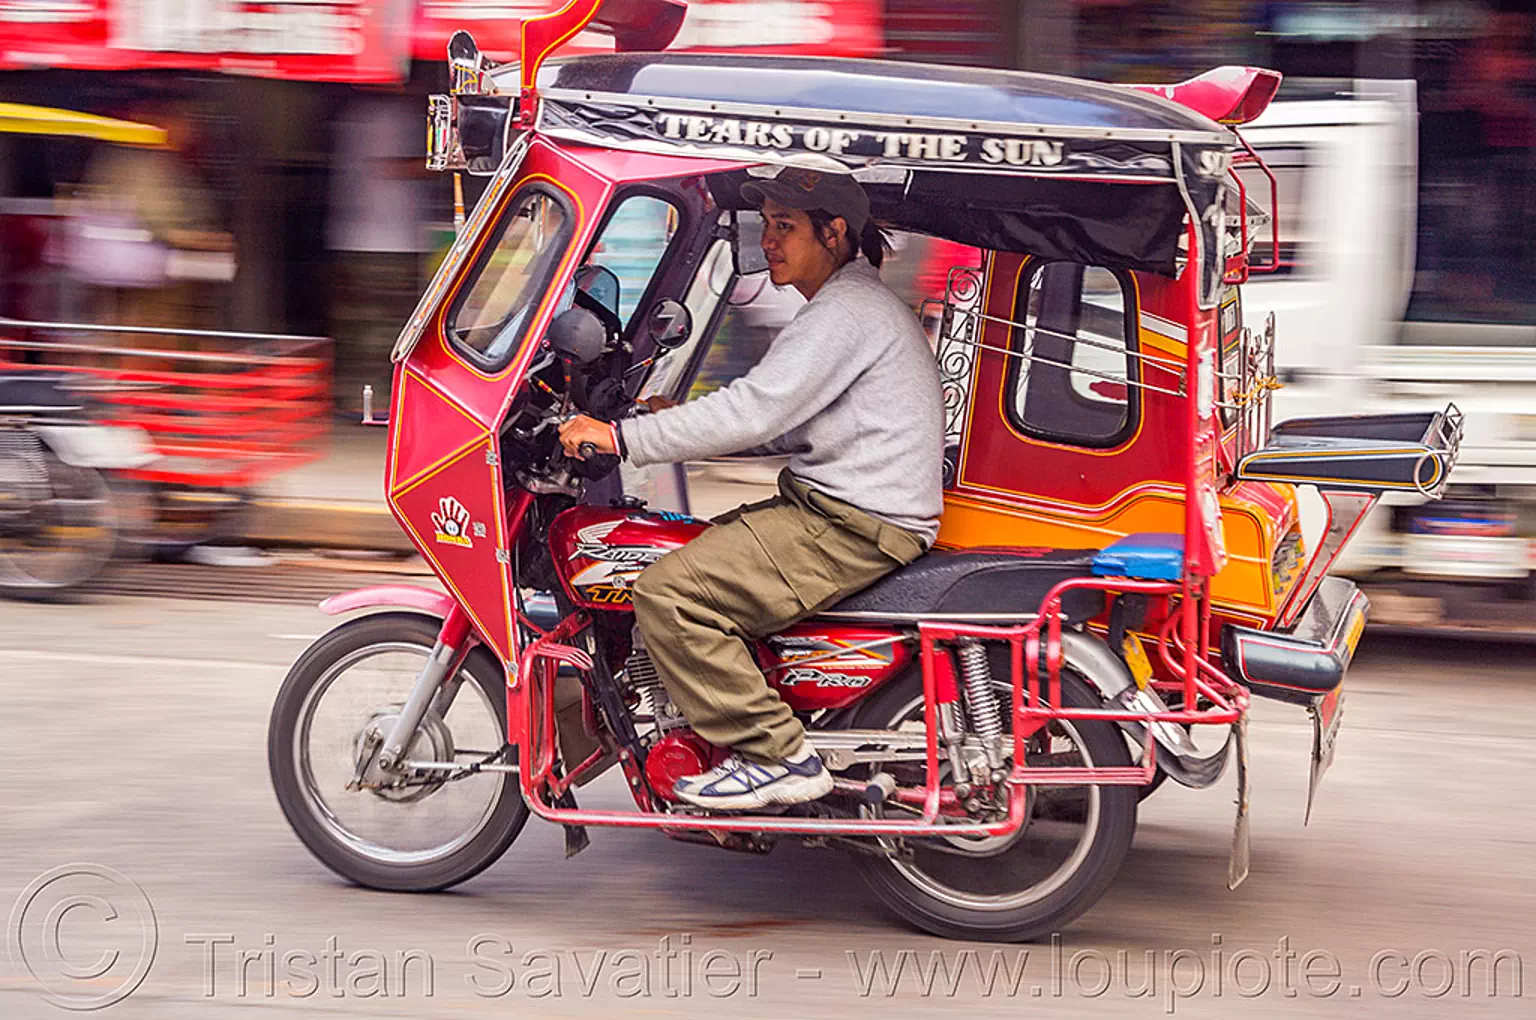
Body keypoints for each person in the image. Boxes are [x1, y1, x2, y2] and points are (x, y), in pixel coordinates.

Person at [558, 169, 944, 811]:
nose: (768, 240)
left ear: (835, 232)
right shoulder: (848, 304)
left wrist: (621, 438)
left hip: (852, 521)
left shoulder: (847, 310)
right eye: (764, 225)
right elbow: (784, 424)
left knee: (671, 593)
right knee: (685, 555)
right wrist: (658, 422)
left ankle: (777, 756)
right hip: (841, 507)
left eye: (785, 226)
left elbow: (754, 411)